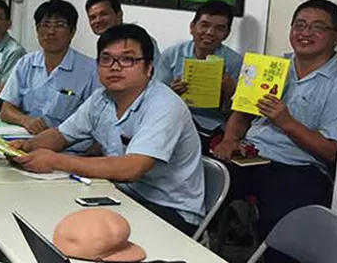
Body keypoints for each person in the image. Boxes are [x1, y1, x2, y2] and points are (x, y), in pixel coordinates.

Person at [14, 24, 204, 235]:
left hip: (170, 209)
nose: (115, 67)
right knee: (48, 211)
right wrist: (26, 146)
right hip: (121, 194)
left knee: (82, 231)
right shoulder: (101, 99)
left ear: (149, 67)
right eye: (106, 59)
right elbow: (61, 135)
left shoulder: (165, 105)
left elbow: (131, 169)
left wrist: (55, 161)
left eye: (127, 59)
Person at [212, 0, 337, 263]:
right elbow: (241, 115)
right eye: (300, 25)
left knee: (281, 222)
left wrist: (286, 121)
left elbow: (331, 150)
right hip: (251, 155)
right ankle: (197, 262)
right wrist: (230, 140)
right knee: (199, 182)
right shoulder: (272, 67)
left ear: (336, 36)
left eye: (317, 27)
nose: (305, 32)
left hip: (299, 166)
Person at [0, 0, 97, 135]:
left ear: (72, 31)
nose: (50, 32)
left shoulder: (90, 70)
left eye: (59, 25)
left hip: (66, 144)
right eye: (45, 25)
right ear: (37, 30)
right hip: (25, 138)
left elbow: (95, 122)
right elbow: (6, 110)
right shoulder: (26, 63)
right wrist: (26, 120)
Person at [155, 0, 243, 142]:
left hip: (213, 126)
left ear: (227, 34)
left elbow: (236, 114)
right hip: (174, 119)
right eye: (204, 25)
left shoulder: (234, 62)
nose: (210, 33)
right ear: (192, 27)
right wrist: (172, 93)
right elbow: (155, 98)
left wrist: (230, 92)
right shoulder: (172, 55)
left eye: (219, 29)